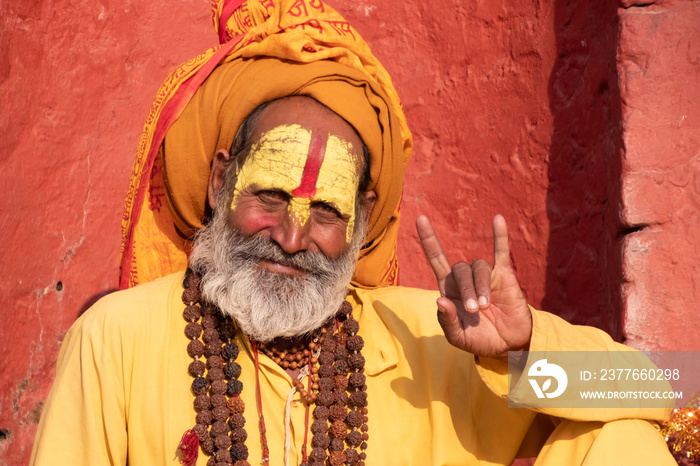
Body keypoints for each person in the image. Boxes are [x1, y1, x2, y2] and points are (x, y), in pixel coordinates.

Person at [30, 1, 675, 465]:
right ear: (219, 183)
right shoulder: (116, 342)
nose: (289, 236)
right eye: (269, 197)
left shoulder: (435, 343)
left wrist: (524, 348)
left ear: (363, 219)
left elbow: (667, 391)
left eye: (325, 213)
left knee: (623, 437)